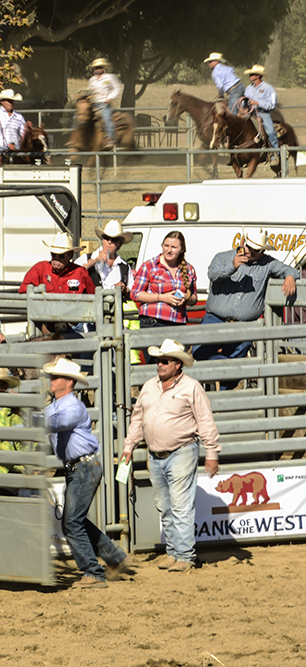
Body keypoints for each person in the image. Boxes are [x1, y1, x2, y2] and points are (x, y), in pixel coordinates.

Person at [122, 339, 220, 572]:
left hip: (182, 451)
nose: (160, 364)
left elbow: (205, 420)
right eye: (158, 360)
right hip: (155, 454)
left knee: (180, 505)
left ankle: (184, 556)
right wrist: (129, 446)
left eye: (165, 360)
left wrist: (212, 453)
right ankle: (174, 552)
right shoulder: (149, 386)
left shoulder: (191, 387)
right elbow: (137, 419)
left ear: (178, 364)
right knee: (165, 506)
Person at [43, 357, 131, 588]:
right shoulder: (56, 405)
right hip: (80, 467)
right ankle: (115, 557)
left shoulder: (71, 406)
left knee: (71, 522)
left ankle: (93, 572)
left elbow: (54, 423)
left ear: (69, 382)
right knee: (75, 521)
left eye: (56, 376)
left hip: (83, 467)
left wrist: (27, 416)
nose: (51, 380)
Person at [195, 229, 297, 377]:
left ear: (262, 251)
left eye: (255, 250)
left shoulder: (267, 263)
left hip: (244, 324)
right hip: (215, 318)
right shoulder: (223, 257)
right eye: (248, 247)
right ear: (243, 242)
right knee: (199, 351)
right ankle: (231, 370)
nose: (250, 252)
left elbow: (290, 269)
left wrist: (290, 277)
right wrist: (233, 266)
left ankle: (227, 389)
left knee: (238, 355)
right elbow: (213, 274)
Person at [131, 231, 197, 328]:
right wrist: (162, 298)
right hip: (153, 320)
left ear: (182, 249)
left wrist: (185, 298)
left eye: (174, 247)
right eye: (166, 246)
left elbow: (194, 298)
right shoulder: (149, 266)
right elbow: (135, 294)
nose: (169, 250)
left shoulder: (189, 269)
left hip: (178, 322)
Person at [18, 232, 95, 296]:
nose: (56, 259)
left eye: (61, 255)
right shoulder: (39, 270)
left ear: (70, 256)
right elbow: (23, 292)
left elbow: (93, 297)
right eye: (53, 254)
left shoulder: (80, 273)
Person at [243, 65, 279, 164]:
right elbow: (244, 101)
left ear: (258, 76)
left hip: (263, 113)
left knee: (270, 132)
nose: (250, 76)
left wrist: (257, 103)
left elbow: (272, 105)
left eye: (252, 74)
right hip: (250, 113)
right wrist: (244, 103)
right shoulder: (248, 88)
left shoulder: (268, 88)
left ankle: (275, 154)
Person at [86, 58, 123, 149]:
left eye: (100, 67)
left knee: (106, 119)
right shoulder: (92, 80)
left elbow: (117, 88)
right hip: (93, 103)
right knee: (80, 117)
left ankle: (110, 138)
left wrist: (110, 97)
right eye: (96, 68)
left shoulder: (110, 77)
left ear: (103, 68)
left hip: (104, 104)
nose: (98, 69)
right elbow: (90, 90)